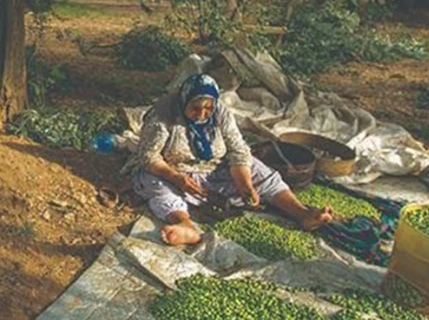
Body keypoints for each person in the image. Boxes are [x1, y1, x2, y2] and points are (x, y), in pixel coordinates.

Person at [132, 73, 332, 246]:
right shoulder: (164, 114)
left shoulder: (221, 112)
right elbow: (148, 156)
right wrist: (177, 178)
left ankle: (300, 213)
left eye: (207, 109)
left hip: (216, 169)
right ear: (184, 100)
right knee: (153, 184)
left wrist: (244, 184)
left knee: (259, 170)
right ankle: (184, 222)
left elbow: (238, 149)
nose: (202, 114)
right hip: (173, 169)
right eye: (195, 108)